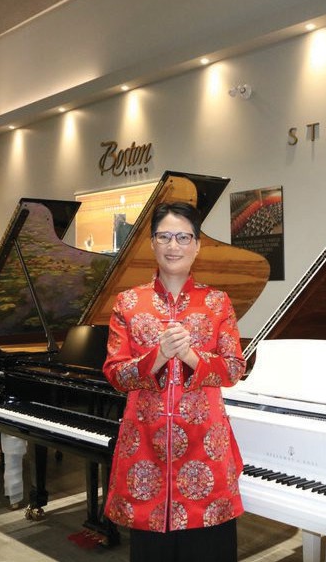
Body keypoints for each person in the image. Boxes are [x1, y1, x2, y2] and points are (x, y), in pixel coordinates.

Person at [102, 202, 244, 562]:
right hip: (145, 452)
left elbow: (233, 369)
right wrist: (159, 355)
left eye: (183, 237)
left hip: (205, 452)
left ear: (197, 245)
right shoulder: (128, 302)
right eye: (164, 236)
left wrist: (192, 356)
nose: (173, 246)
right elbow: (116, 374)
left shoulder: (217, 302)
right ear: (152, 242)